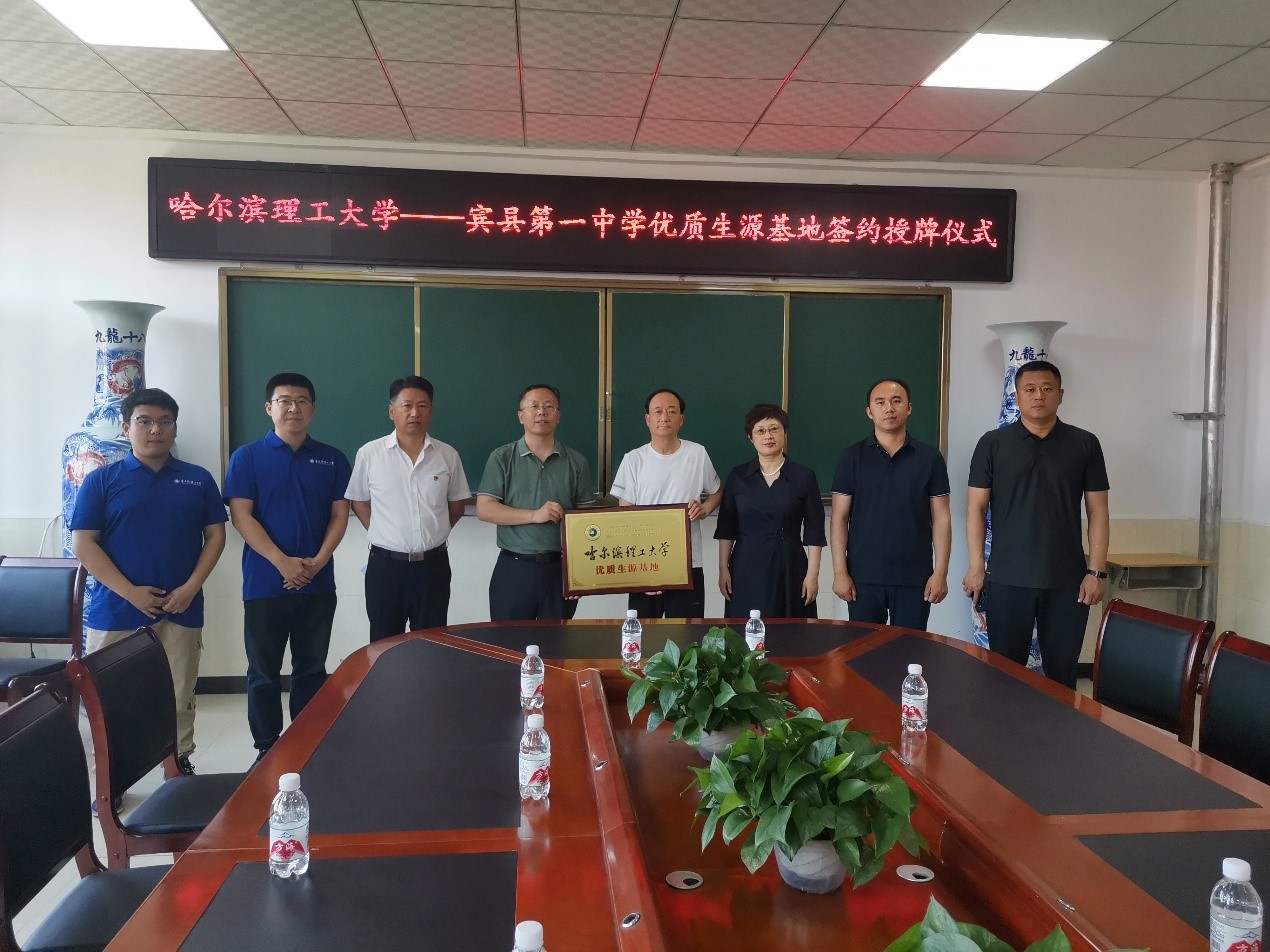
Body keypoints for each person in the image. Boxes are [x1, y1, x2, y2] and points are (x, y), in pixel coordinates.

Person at [70, 387, 227, 775]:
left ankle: (177, 766)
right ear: (127, 428)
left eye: (164, 421)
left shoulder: (197, 479)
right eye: (144, 421)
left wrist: (190, 588)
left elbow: (215, 537)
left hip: (180, 607)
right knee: (109, 697)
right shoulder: (101, 481)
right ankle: (111, 777)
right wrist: (130, 593)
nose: (155, 429)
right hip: (116, 609)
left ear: (175, 428)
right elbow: (83, 544)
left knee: (178, 692)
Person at [223, 373, 352, 761]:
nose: (293, 407)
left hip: (317, 583)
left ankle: (306, 744)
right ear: (269, 407)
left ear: (312, 409)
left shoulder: (332, 458)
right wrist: (282, 562)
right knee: (263, 671)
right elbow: (241, 516)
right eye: (284, 400)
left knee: (311, 669)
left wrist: (319, 561)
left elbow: (340, 514)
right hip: (265, 584)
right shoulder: (247, 457)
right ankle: (266, 748)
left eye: (302, 401)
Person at [962, 360, 1110, 688]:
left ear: (1061, 394)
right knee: (1004, 675)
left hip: (1067, 580)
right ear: (1016, 396)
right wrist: (976, 567)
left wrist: (1096, 572)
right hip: (1006, 579)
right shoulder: (992, 443)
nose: (1038, 396)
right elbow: (976, 508)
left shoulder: (1085, 443)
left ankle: (1060, 725)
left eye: (1047, 389)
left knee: (1062, 676)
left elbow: (1098, 512)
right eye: (1029, 389)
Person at [346, 375, 470, 641]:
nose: (415, 413)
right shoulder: (370, 454)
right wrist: (384, 533)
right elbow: (359, 502)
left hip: (433, 567)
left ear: (431, 411)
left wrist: (434, 532)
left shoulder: (448, 455)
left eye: (422, 406)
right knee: (383, 645)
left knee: (432, 643)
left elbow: (457, 504)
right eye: (407, 406)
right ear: (392, 411)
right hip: (385, 567)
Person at [830, 379, 951, 630]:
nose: (889, 408)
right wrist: (840, 572)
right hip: (863, 578)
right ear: (869, 411)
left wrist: (940, 573)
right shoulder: (851, 457)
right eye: (880, 402)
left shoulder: (930, 458)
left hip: (915, 578)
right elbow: (839, 517)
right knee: (863, 649)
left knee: (910, 649)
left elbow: (941, 518)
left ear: (909, 408)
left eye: (896, 401)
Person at [476, 384, 595, 621]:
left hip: (560, 570)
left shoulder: (577, 462)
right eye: (534, 406)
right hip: (514, 567)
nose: (541, 412)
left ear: (558, 416)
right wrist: (534, 515)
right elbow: (484, 509)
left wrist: (579, 575)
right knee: (508, 640)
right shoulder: (502, 457)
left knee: (557, 641)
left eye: (549, 407)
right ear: (521, 415)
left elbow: (587, 525)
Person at [610, 389, 722, 619]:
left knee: (688, 634)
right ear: (647, 419)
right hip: (643, 563)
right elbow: (624, 517)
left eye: (672, 411)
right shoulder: (633, 459)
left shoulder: (697, 453)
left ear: (681, 419)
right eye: (658, 411)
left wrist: (704, 509)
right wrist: (640, 574)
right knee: (643, 635)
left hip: (688, 563)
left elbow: (717, 491)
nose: (664, 417)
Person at [715, 403, 826, 618]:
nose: (768, 436)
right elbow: (726, 528)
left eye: (774, 429)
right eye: (760, 431)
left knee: (792, 630)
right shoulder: (738, 476)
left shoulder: (803, 476)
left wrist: (812, 575)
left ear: (785, 432)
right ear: (750, 437)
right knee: (745, 630)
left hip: (790, 565)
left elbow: (814, 530)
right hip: (746, 566)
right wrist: (723, 570)